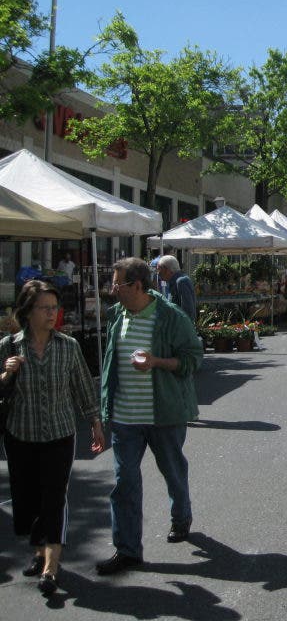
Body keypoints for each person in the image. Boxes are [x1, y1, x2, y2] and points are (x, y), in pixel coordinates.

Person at [95, 257, 204, 576]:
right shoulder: (117, 316)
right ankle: (127, 549)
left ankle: (181, 517)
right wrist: (102, 412)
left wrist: (157, 361)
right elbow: (109, 369)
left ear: (137, 286)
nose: (113, 289)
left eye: (118, 284)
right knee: (123, 482)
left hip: (164, 414)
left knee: (172, 470)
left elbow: (193, 358)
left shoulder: (171, 317)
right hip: (125, 418)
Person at [1, 280, 104, 596]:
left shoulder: (68, 346)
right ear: (28, 312)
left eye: (54, 308)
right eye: (45, 308)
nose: (52, 313)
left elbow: (83, 386)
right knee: (28, 498)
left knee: (54, 497)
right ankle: (38, 550)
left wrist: (96, 422)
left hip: (60, 434)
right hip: (21, 434)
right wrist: (6, 373)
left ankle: (51, 566)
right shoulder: (9, 346)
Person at [156, 255, 197, 324]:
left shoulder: (181, 281)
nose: (158, 273)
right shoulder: (174, 282)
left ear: (166, 270)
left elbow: (188, 312)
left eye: (159, 269)